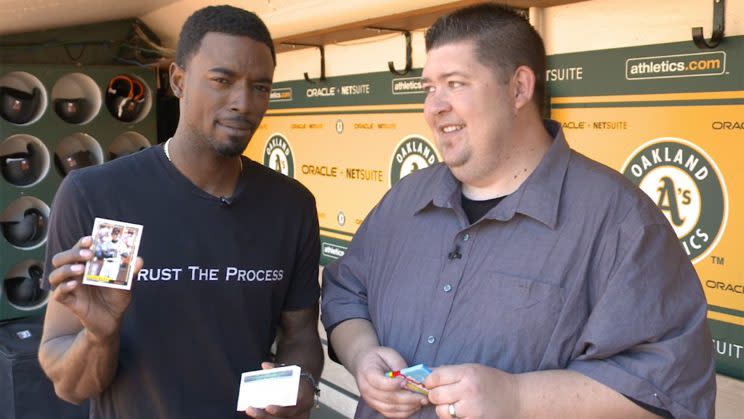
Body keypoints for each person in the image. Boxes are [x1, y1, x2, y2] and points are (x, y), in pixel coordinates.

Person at [321, 3, 715, 419]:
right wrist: (362, 355)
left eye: (454, 83)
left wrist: (518, 397)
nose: (434, 106)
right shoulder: (404, 199)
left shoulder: (621, 222)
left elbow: (665, 390)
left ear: (519, 89)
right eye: (428, 88)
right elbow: (346, 294)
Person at [39, 6, 323, 419]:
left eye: (260, 87)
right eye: (222, 81)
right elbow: (70, 386)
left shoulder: (290, 205)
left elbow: (300, 336)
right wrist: (101, 336)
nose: (243, 103)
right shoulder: (102, 198)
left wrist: (301, 385)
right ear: (178, 80)